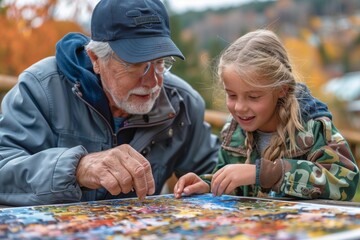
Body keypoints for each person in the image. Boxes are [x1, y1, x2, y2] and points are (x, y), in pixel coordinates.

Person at [0, 0, 221, 206]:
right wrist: (77, 168)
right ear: (96, 59)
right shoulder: (41, 87)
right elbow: (4, 168)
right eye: (136, 64)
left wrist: (208, 182)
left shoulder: (181, 102)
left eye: (160, 62)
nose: (153, 81)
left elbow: (216, 172)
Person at [174, 29, 359, 201]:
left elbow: (345, 182)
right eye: (231, 95)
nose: (239, 107)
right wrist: (208, 185)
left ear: (281, 90)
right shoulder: (233, 132)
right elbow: (237, 187)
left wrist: (265, 174)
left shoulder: (313, 128)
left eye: (253, 97)